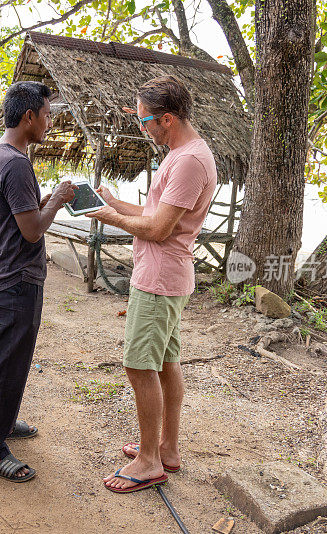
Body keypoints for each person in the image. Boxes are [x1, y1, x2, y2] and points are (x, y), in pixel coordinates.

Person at [86, 75, 217, 493]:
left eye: (145, 123)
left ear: (167, 119)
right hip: (165, 275)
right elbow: (152, 210)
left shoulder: (189, 161)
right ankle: (167, 448)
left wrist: (111, 220)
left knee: (138, 364)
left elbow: (158, 230)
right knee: (164, 362)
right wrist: (110, 202)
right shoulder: (182, 156)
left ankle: (148, 462)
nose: (142, 129)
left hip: (159, 278)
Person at [0, 81, 77, 482]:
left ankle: (4, 422)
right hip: (14, 278)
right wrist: (56, 200)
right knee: (5, 363)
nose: (50, 123)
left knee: (14, 359)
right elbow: (32, 230)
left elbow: (21, 216)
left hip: (7, 274)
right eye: (48, 115)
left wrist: (47, 197)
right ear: (29, 116)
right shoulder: (15, 162)